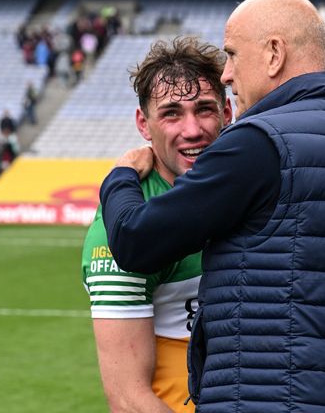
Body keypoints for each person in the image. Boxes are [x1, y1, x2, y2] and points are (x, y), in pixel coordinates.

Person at [101, 0, 325, 413]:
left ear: (273, 54)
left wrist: (120, 177)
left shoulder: (261, 143)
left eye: (232, 55)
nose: (228, 74)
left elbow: (134, 241)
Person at [83, 37, 232, 413]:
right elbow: (129, 399)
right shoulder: (118, 229)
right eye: (171, 114)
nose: (192, 129)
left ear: (228, 112)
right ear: (143, 124)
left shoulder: (248, 183)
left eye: (205, 109)